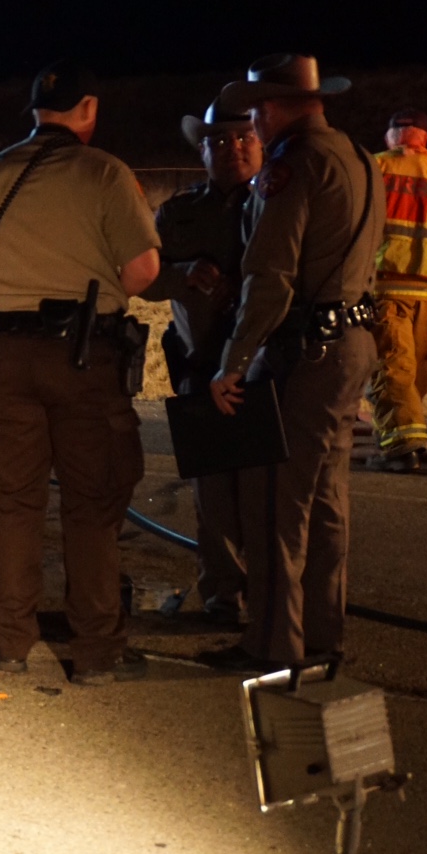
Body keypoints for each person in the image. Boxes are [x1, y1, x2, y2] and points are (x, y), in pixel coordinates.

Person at [0, 60, 159, 685]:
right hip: (83, 357)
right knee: (91, 505)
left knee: (14, 504)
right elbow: (143, 267)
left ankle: (10, 641)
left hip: (3, 357)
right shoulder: (103, 172)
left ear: (34, 111)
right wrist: (99, 294)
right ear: (87, 109)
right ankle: (95, 652)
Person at [205, 54, 378, 672]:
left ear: (272, 107)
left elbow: (271, 274)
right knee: (327, 499)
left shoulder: (291, 166)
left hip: (303, 353)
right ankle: (326, 634)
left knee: (277, 503)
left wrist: (234, 360)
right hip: (349, 342)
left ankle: (273, 646)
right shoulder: (357, 157)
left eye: (255, 111)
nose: (253, 123)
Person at [142, 101, 263, 625]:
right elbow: (141, 276)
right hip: (198, 365)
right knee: (212, 496)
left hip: (263, 370)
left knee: (263, 493)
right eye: (218, 140)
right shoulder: (177, 212)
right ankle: (222, 597)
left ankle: (269, 598)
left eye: (243, 138)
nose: (231, 149)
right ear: (202, 150)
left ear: (260, 142)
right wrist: (182, 275)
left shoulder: (277, 203)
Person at [365, 107, 427, 467]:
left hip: (384, 288)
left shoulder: (372, 167)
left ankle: (402, 448)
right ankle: (405, 443)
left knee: (393, 369)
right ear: (424, 138)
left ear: (391, 135)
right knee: (414, 373)